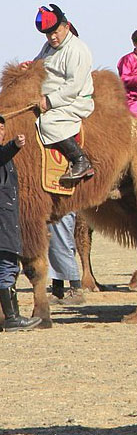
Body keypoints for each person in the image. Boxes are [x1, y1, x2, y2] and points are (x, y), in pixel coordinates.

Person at [32, 4, 95, 185]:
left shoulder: (77, 50)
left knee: (48, 122)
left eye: (56, 32)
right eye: (48, 34)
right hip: (50, 96)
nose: (52, 37)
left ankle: (80, 160)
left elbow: (72, 87)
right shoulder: (49, 46)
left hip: (74, 101)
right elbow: (38, 63)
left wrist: (49, 101)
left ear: (66, 27)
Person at [0, 115, 40, 331]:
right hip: (2, 223)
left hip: (6, 221)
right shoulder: (5, 153)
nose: (0, 131)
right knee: (6, 267)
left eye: (2, 128)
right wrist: (14, 146)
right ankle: (13, 318)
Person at [47, 213, 84, 305]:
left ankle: (76, 290)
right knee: (54, 246)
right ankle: (57, 290)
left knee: (63, 243)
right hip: (51, 205)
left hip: (62, 205)